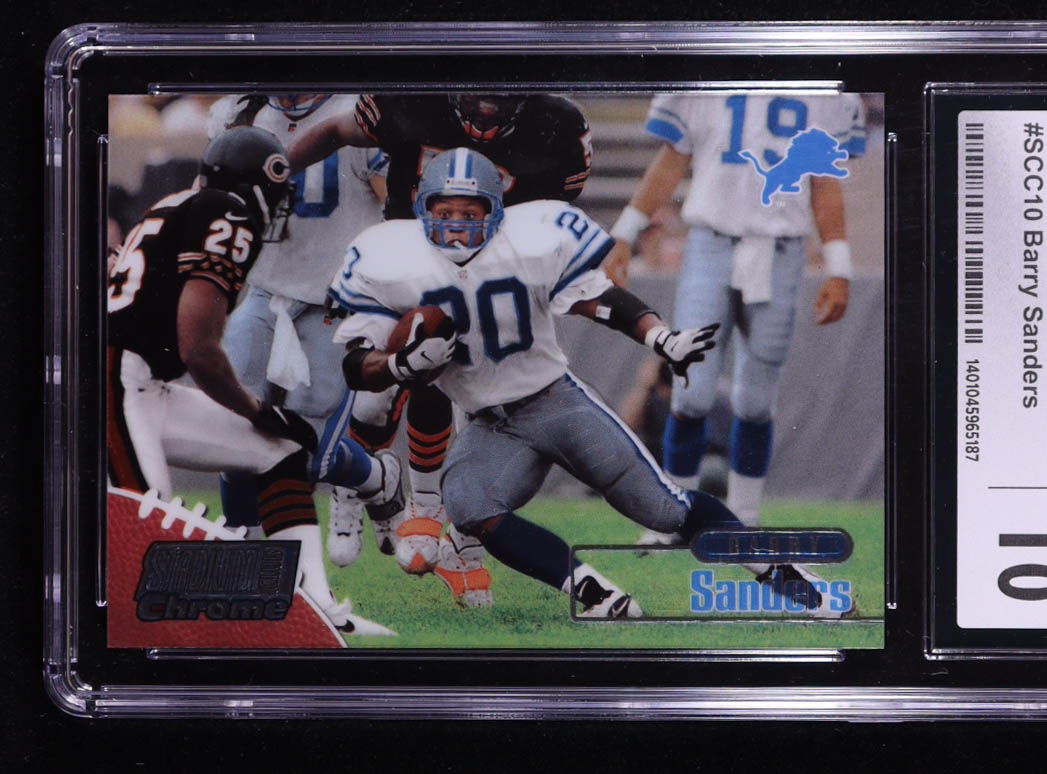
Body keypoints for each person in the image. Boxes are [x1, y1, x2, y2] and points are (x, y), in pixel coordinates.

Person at [327, 148, 854, 619]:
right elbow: (357, 363)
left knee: (666, 509)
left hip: (555, 400)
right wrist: (399, 366)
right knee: (468, 504)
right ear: (423, 209)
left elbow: (599, 299)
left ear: (496, 211)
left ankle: (791, 578)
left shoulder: (533, 240)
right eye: (445, 213)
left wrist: (660, 338)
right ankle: (597, 594)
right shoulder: (391, 258)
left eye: (470, 213)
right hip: (490, 425)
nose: (457, 227)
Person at [288, 93, 592, 606]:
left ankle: (457, 542)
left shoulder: (555, 124)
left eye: (503, 96)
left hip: (493, 271)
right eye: (477, 93)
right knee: (377, 394)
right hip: (406, 256)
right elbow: (338, 129)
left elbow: (556, 211)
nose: (487, 108)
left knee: (489, 409)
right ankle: (371, 486)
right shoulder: (411, 98)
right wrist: (272, 169)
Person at [106, 126, 391, 636]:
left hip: (144, 383)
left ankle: (314, 608)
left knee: (279, 449)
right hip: (116, 382)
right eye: (276, 191)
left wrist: (264, 420)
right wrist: (256, 408)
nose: (278, 207)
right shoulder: (227, 212)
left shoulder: (177, 203)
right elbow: (199, 350)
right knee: (146, 545)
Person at [605, 93, 866, 531]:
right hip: (711, 242)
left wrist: (839, 267)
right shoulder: (704, 80)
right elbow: (672, 160)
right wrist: (625, 232)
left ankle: (744, 519)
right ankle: (671, 518)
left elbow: (824, 182)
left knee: (757, 401)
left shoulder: (826, 91)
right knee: (690, 392)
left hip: (780, 249)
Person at [207, 94, 403, 567]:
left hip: (335, 301)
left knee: (311, 457)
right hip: (265, 292)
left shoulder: (356, 110)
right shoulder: (236, 113)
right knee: (231, 425)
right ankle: (242, 543)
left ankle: (377, 477)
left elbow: (396, 218)